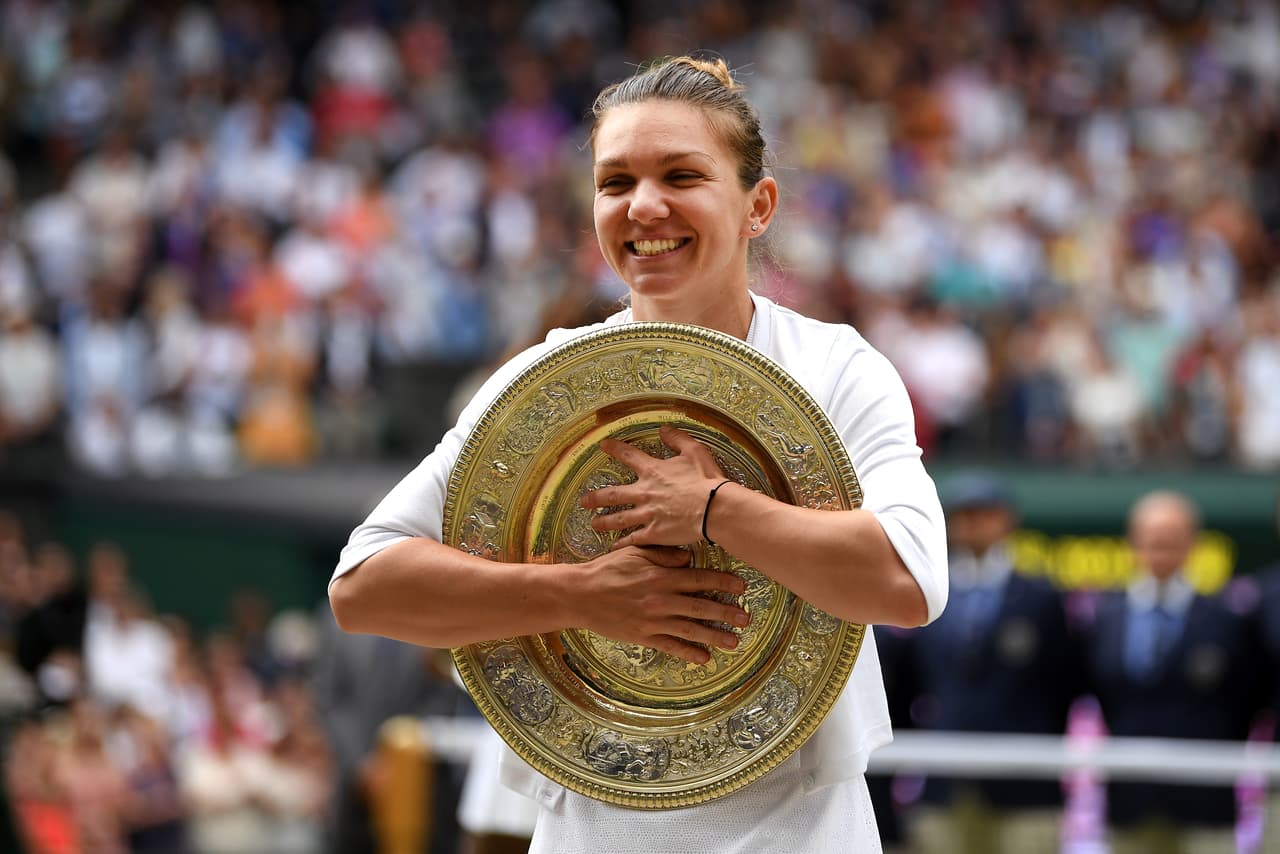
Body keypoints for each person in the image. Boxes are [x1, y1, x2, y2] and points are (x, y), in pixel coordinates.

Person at [329, 55, 948, 853]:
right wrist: (583, 594)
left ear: (759, 205)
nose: (644, 206)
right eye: (615, 182)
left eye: (682, 175)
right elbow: (364, 586)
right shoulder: (537, 382)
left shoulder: (837, 368)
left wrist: (715, 510)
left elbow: (908, 582)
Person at [904, 471, 1082, 854]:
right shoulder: (933, 590)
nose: (970, 523)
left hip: (1025, 785)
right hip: (946, 784)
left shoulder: (1041, 597)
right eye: (961, 514)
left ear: (1006, 520)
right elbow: (917, 679)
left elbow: (1065, 683)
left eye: (982, 513)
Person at [1082, 490, 1264, 854]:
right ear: (1133, 544)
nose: (1160, 553)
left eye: (1170, 543)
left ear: (1191, 545)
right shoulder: (1106, 617)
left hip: (1204, 803)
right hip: (1130, 801)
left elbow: (1246, 701)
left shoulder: (1226, 620)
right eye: (1152, 542)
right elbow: (1098, 692)